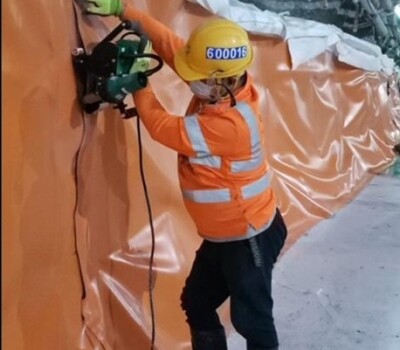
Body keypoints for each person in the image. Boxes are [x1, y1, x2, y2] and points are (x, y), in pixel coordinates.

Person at [85, 1, 288, 349]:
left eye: (196, 77)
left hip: (249, 236)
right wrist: (123, 10)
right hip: (222, 237)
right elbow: (171, 46)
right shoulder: (220, 82)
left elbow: (163, 127)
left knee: (251, 320)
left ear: (221, 80)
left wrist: (139, 82)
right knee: (196, 302)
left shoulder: (232, 125)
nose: (189, 80)